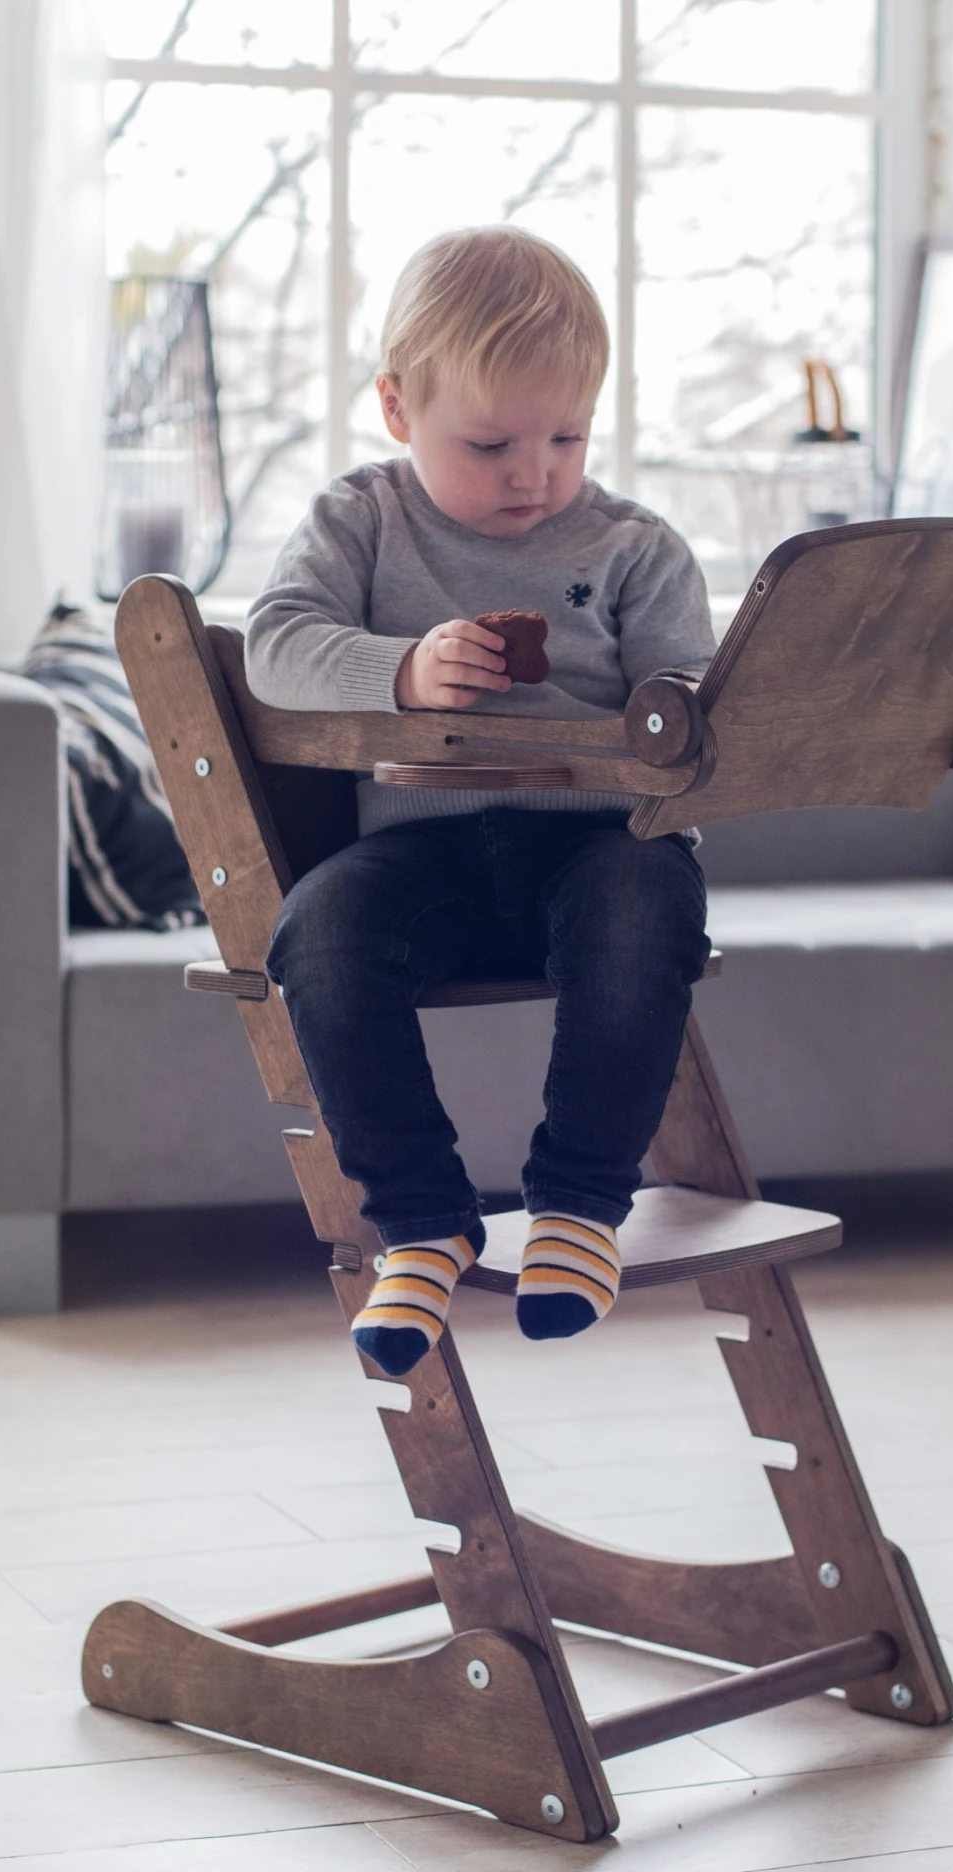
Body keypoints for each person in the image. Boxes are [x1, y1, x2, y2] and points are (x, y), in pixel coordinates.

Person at [245, 226, 716, 1376]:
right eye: (493, 440)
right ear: (399, 410)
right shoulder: (361, 520)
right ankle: (422, 1220)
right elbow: (273, 646)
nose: (535, 472)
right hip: (425, 849)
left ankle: (579, 1206)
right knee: (318, 933)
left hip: (601, 844)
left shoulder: (634, 547)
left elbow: (698, 697)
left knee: (645, 911)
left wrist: (693, 706)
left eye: (568, 436)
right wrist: (396, 672)